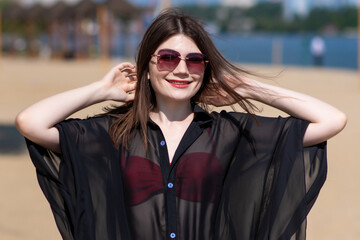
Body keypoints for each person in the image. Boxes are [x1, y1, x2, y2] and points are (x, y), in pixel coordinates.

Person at [16, 9, 346, 240]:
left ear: (205, 68)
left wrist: (244, 87)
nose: (181, 70)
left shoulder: (229, 132)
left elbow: (331, 120)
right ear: (147, 65)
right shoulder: (111, 132)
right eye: (168, 58)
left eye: (195, 60)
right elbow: (31, 122)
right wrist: (100, 90)